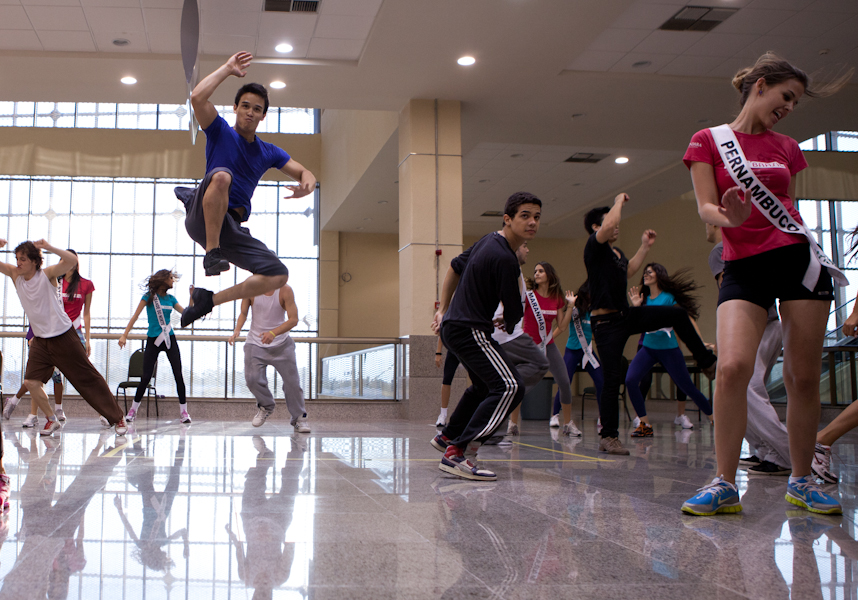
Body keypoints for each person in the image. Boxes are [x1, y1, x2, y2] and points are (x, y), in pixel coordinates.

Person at [681, 53, 850, 516]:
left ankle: (801, 480)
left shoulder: (788, 147)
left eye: (795, 102)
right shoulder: (708, 141)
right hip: (744, 265)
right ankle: (723, 482)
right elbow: (706, 208)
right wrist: (729, 217)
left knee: (802, 376)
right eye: (786, 96)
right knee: (733, 367)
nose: (789, 107)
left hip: (798, 262)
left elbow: (787, 207)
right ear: (760, 85)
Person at [175, 51, 316, 328]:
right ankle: (211, 253)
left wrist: (307, 183)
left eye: (256, 109)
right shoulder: (219, 130)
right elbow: (197, 98)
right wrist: (227, 68)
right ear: (235, 108)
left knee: (278, 274)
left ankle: (207, 300)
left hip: (230, 226)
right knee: (222, 176)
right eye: (245, 106)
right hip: (202, 214)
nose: (250, 112)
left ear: (263, 116)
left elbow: (302, 171)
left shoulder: (268, 151)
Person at [583, 196, 717, 456]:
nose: (616, 226)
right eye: (609, 223)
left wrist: (644, 247)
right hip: (606, 325)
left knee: (677, 314)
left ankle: (706, 362)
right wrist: (617, 202)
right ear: (596, 228)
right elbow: (609, 225)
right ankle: (608, 436)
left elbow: (627, 270)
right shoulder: (593, 248)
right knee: (612, 380)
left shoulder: (616, 253)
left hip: (624, 316)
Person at [430, 192, 541, 481]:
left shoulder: (487, 240)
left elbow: (454, 266)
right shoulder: (505, 258)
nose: (532, 222)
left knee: (483, 385)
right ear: (508, 219)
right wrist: (510, 318)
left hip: (455, 326)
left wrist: (442, 310)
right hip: (469, 330)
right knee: (510, 386)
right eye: (525, 216)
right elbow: (514, 310)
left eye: (536, 217)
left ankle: (448, 436)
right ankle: (459, 452)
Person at [0, 239, 126, 437]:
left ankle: (118, 417)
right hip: (40, 340)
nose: (18, 263)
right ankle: (52, 419)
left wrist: (48, 247)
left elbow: (71, 260)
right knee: (31, 382)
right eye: (17, 259)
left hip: (63, 336)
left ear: (34, 261)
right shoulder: (16, 275)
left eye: (23, 259)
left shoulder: (47, 275)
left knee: (87, 379)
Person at [708, 224, 791, 477]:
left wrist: (732, 335)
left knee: (746, 389)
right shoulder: (736, 247)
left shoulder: (720, 249)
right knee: (741, 390)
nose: (706, 227)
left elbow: (732, 292)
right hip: (768, 324)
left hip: (759, 325)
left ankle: (789, 451)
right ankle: (765, 450)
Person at [624, 263, 714, 437]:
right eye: (645, 272)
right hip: (648, 348)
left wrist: (700, 342)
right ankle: (644, 424)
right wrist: (636, 307)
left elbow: (684, 319)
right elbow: (637, 324)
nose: (645, 275)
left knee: (688, 387)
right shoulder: (644, 299)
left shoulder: (669, 298)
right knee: (630, 380)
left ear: (659, 275)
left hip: (669, 350)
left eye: (649, 272)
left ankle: (713, 418)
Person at [228, 282, 311, 432]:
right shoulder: (250, 289)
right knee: (252, 379)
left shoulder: (285, 290)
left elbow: (293, 319)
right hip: (255, 343)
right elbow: (243, 313)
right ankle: (266, 406)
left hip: (282, 344)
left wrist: (273, 333)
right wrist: (237, 330)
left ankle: (299, 418)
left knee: (292, 383)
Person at [511, 262, 579, 436]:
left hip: (548, 345)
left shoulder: (557, 298)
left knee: (564, 382)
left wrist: (570, 305)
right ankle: (512, 424)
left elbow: (562, 326)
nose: (537, 273)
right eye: (535, 271)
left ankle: (568, 424)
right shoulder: (529, 296)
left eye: (541, 271)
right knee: (520, 383)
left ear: (549, 274)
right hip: (528, 346)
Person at [118, 270, 190, 424]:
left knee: (178, 374)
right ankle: (132, 411)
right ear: (163, 280)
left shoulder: (171, 299)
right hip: (153, 340)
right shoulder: (149, 297)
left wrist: (192, 300)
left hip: (169, 338)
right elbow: (135, 316)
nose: (172, 281)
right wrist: (124, 335)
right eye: (170, 278)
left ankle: (184, 412)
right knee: (146, 377)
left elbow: (187, 314)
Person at [551, 281, 604, 432]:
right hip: (572, 350)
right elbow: (561, 327)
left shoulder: (594, 310)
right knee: (565, 382)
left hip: (588, 351)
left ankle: (602, 415)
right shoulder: (574, 309)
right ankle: (555, 415)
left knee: (601, 381)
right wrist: (548, 340)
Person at [435, 338, 459, 427]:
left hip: (469, 348)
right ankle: (443, 414)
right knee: (447, 380)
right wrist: (438, 353)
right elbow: (441, 333)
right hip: (454, 348)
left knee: (476, 379)